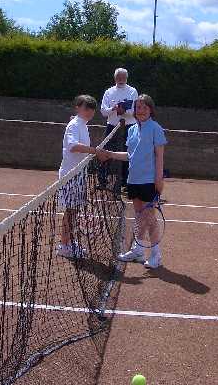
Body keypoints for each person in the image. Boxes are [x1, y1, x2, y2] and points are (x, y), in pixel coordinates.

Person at [101, 94, 167, 269]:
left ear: (150, 110)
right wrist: (111, 154)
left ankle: (155, 254)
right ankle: (138, 250)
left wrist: (159, 180)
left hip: (149, 180)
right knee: (139, 216)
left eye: (144, 107)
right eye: (138, 107)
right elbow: (130, 156)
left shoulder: (156, 129)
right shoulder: (131, 130)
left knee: (149, 218)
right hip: (133, 179)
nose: (141, 110)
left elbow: (160, 157)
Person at [57, 95, 103, 259]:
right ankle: (64, 245)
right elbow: (73, 146)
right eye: (86, 107)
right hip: (71, 175)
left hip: (79, 175)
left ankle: (68, 242)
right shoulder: (75, 125)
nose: (90, 111)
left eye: (92, 108)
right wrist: (95, 151)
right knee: (70, 211)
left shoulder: (82, 125)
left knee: (74, 211)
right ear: (78, 107)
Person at [98, 68, 138, 195]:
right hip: (112, 127)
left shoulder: (132, 91)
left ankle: (126, 183)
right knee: (104, 152)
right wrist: (113, 109)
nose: (120, 80)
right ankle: (102, 181)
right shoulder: (109, 92)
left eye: (123, 77)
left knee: (129, 154)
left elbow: (135, 112)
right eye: (118, 77)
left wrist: (124, 111)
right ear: (115, 78)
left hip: (129, 127)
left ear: (126, 78)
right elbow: (104, 111)